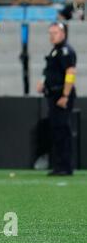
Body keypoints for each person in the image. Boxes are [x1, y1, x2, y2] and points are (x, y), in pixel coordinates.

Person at [37, 23, 77, 176]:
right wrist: (42, 82)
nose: (52, 36)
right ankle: (60, 166)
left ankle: (65, 167)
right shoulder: (56, 50)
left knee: (62, 130)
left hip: (61, 95)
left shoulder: (66, 51)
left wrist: (65, 95)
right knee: (57, 130)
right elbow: (48, 70)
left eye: (55, 33)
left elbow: (70, 73)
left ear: (63, 34)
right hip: (53, 95)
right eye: (50, 33)